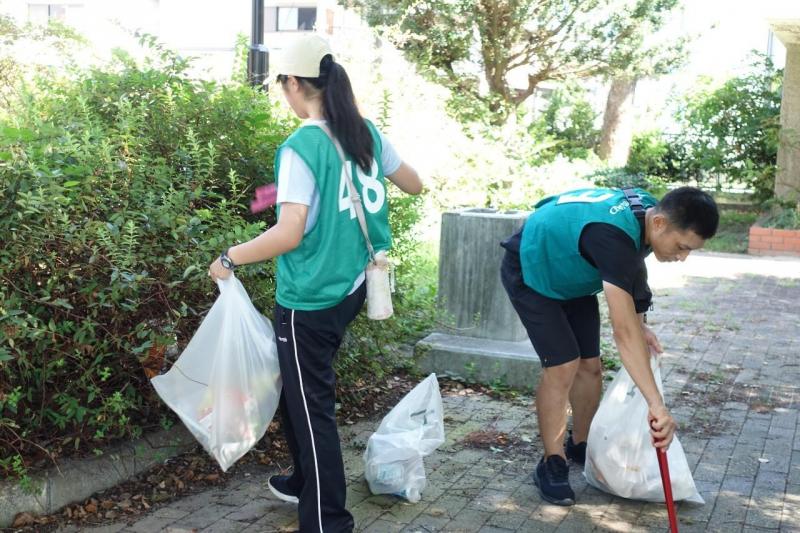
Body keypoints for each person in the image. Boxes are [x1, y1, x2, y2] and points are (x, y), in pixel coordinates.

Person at [208, 34, 422, 532]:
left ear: (294, 83)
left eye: (281, 83)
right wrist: (283, 193)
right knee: (300, 388)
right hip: (353, 285)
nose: (282, 92)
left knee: (312, 406)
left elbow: (290, 231)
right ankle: (304, 480)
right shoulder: (362, 130)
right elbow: (412, 182)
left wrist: (228, 258)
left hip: (312, 295)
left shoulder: (302, 142)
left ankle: (328, 519)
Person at [500, 186, 718, 506]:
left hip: (573, 272)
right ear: (659, 224)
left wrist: (641, 323)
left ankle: (581, 444)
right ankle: (552, 462)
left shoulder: (646, 213)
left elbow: (633, 267)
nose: (683, 257)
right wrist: (656, 405)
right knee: (562, 364)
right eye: (682, 247)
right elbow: (623, 333)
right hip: (534, 267)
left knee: (590, 365)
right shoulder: (610, 235)